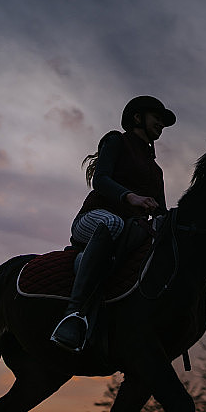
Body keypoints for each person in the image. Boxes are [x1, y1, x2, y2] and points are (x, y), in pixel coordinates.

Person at [51, 96, 176, 352]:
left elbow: (161, 212)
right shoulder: (115, 140)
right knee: (114, 223)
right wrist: (131, 197)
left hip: (133, 231)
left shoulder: (157, 171)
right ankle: (73, 315)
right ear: (138, 117)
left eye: (164, 121)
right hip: (95, 218)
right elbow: (101, 180)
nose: (162, 124)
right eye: (158, 117)